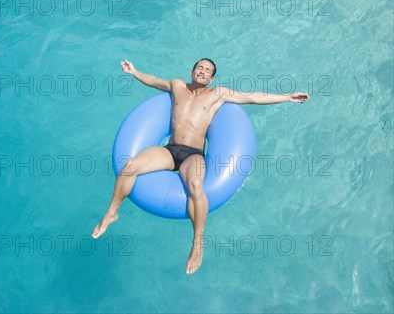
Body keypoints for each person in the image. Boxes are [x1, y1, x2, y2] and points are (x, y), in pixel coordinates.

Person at [92, 58, 310, 274]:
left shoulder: (218, 94)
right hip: (170, 150)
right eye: (200, 68)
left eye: (208, 71)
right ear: (192, 71)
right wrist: (134, 72)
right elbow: (153, 80)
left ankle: (197, 244)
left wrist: (287, 97)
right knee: (130, 166)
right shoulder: (177, 86)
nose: (203, 72)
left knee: (196, 185)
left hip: (193, 155)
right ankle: (112, 212)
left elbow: (253, 97)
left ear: (212, 78)